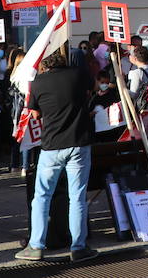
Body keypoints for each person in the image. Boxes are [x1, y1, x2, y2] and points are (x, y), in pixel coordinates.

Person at [14, 48, 98, 263]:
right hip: (79, 143)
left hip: (51, 145)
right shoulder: (78, 75)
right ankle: (78, 247)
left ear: (45, 65)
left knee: (41, 196)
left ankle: (36, 246)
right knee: (77, 197)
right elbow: (93, 90)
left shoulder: (39, 82)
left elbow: (35, 113)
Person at [125, 47, 148, 112]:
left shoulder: (136, 73)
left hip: (143, 108)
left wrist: (123, 90)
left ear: (135, 58)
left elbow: (134, 95)